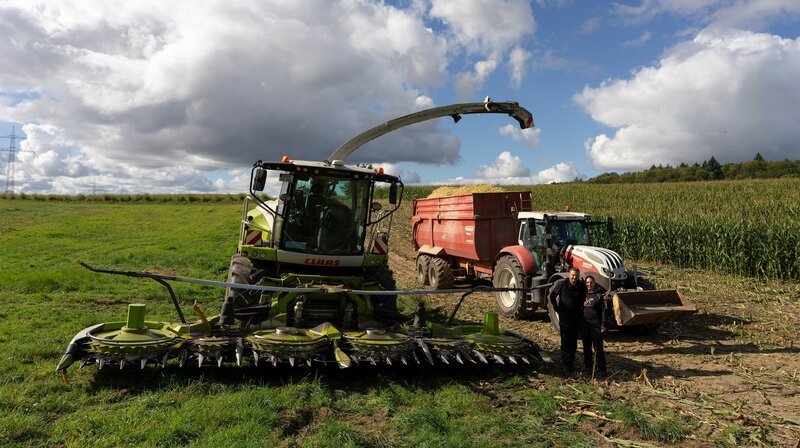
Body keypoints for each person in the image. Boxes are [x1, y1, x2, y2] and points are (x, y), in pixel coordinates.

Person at [548, 267, 586, 375]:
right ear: (569, 274)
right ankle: (566, 365)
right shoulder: (562, 284)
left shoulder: (581, 286)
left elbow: (584, 298)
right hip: (565, 318)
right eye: (573, 275)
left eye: (577, 276)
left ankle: (571, 361)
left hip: (576, 318)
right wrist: (557, 309)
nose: (574, 278)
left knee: (573, 341)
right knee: (565, 341)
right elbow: (552, 296)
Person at [582, 275, 608, 378]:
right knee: (586, 347)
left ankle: (602, 369)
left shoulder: (599, 295)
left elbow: (604, 311)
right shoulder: (582, 294)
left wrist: (603, 324)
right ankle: (588, 366)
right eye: (587, 283)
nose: (589, 284)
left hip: (596, 325)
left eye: (591, 282)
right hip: (584, 325)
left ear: (594, 283)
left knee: (598, 347)